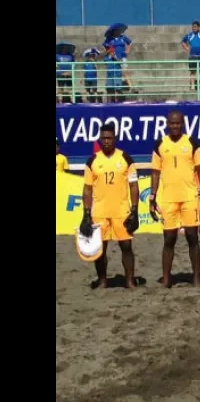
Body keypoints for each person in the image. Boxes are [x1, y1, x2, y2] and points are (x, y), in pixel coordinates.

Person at [149, 110, 200, 287]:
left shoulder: (191, 143)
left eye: (178, 123)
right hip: (167, 198)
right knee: (169, 239)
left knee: (192, 237)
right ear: (167, 124)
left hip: (189, 197)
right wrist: (152, 196)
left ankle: (196, 277)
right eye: (171, 123)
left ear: (182, 124)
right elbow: (155, 172)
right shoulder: (160, 144)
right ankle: (167, 279)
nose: (174, 126)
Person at [78, 123, 140, 288]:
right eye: (103, 138)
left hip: (121, 211)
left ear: (115, 139)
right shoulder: (92, 161)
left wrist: (135, 210)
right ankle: (103, 280)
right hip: (100, 212)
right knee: (100, 249)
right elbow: (87, 189)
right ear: (99, 139)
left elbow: (134, 186)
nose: (106, 141)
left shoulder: (125, 158)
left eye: (109, 138)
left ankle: (129, 280)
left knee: (126, 246)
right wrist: (86, 213)